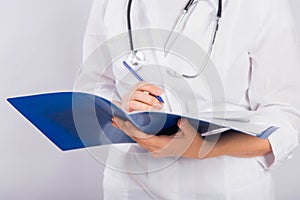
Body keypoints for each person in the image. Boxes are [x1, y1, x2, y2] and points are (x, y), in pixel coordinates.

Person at [74, 0, 300, 199]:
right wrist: (120, 107)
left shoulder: (262, 5)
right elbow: (94, 88)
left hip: (223, 186)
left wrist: (204, 148)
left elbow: (286, 118)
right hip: (131, 184)